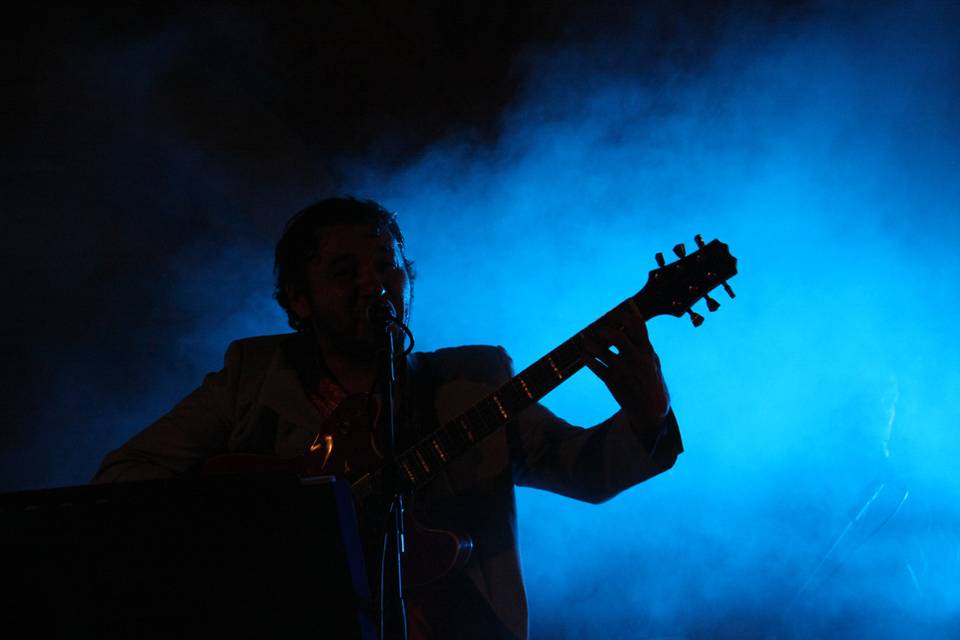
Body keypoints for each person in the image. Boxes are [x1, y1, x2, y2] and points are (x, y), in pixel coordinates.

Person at [93, 196, 683, 639]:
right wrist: (241, 546)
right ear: (298, 300)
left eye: (387, 266)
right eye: (345, 271)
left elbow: (584, 472)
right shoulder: (252, 378)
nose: (374, 284)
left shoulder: (473, 382)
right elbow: (126, 478)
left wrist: (647, 410)